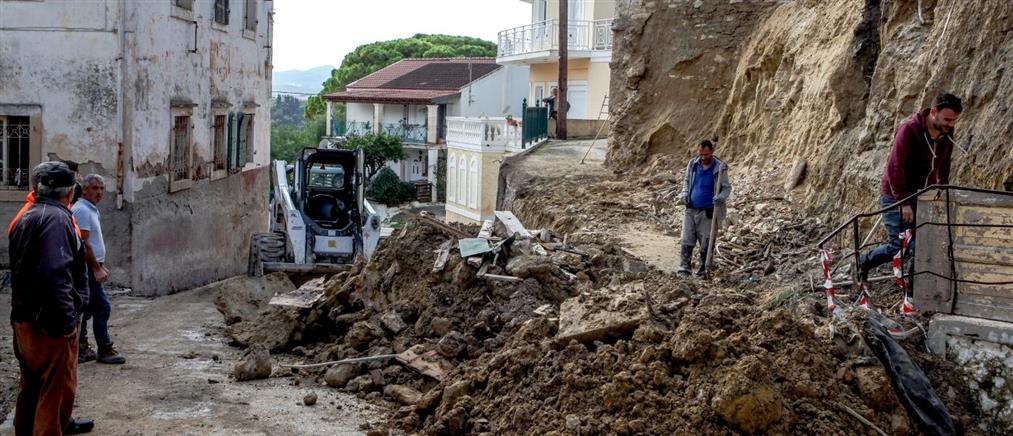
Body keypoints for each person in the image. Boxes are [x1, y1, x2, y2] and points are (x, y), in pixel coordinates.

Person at [9, 161, 95, 435]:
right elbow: (54, 272)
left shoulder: (26, 215)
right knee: (52, 390)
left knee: (32, 384)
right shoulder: (57, 219)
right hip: (51, 321)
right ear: (70, 192)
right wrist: (67, 321)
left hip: (25, 316)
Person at [859, 93, 962, 281]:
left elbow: (944, 163)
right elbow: (894, 167)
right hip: (896, 195)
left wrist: (941, 187)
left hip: (923, 195)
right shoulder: (909, 129)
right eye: (947, 119)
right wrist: (903, 203)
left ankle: (914, 291)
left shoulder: (946, 132)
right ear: (933, 112)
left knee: (922, 245)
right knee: (900, 246)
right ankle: (862, 262)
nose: (951, 124)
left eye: (954, 120)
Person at [72, 174, 125, 364]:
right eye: (95, 188)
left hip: (91, 266)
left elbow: (92, 242)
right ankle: (104, 348)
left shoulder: (90, 209)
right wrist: (96, 268)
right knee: (102, 307)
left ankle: (81, 348)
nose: (99, 192)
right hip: (86, 268)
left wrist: (101, 264)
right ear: (84, 189)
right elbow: (83, 243)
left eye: (102, 188)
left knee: (86, 309)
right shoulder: (82, 210)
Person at [677, 139, 731, 276]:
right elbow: (686, 181)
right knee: (687, 238)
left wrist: (721, 197)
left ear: (712, 152)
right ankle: (685, 268)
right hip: (691, 208)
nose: (703, 157)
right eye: (700, 154)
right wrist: (684, 193)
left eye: (706, 154)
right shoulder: (693, 164)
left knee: (706, 242)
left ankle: (704, 271)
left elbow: (726, 188)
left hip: (708, 212)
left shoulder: (720, 167)